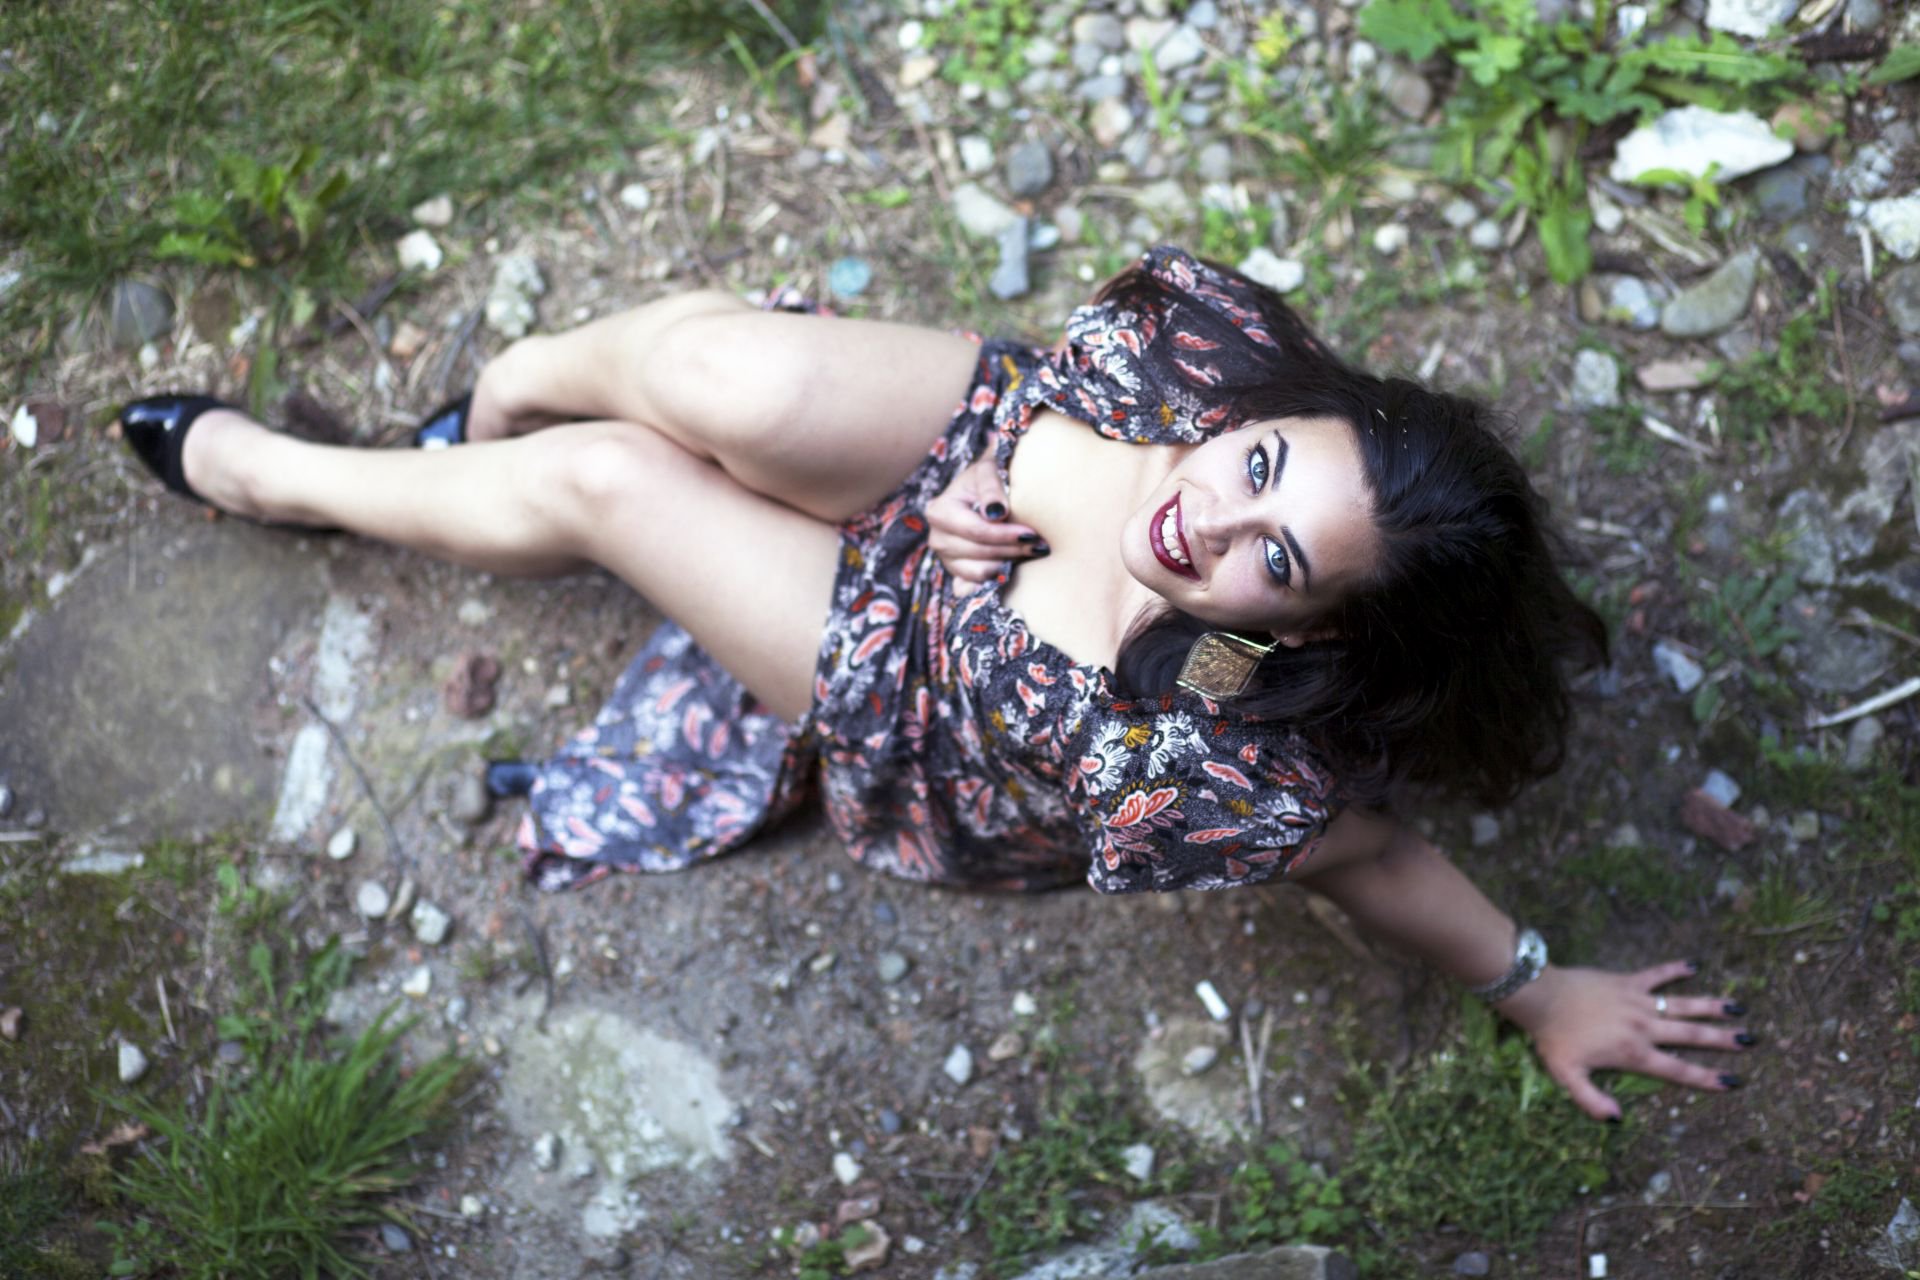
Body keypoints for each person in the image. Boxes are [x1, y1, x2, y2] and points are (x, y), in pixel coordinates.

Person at [119, 246, 1753, 1121]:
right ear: (1278, 406)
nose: (1207, 521)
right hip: (955, 447)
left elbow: (1371, 856)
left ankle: (279, 478)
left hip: (910, 675)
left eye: (1273, 558)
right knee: (718, 373)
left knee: (608, 481)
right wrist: (993, 503)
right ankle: (511, 384)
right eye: (1259, 466)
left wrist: (1534, 984)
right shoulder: (1201, 356)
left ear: (1309, 631)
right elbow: (1058, 421)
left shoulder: (1209, 722)